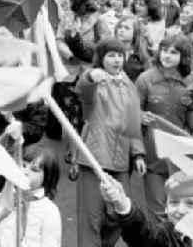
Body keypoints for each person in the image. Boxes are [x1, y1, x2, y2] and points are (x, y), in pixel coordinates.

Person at [73, 39, 146, 247]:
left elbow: (134, 124)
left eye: (119, 55)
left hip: (122, 160)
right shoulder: (96, 79)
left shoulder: (130, 86)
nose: (116, 60)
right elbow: (83, 91)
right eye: (111, 55)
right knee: (91, 219)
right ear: (101, 58)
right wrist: (89, 77)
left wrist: (138, 154)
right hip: (94, 158)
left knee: (116, 218)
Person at [136, 34, 193, 213]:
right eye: (164, 50)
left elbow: (192, 111)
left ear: (184, 57)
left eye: (173, 52)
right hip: (152, 152)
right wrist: (140, 116)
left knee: (177, 206)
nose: (166, 55)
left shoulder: (191, 84)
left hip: (180, 152)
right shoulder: (145, 79)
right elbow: (132, 112)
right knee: (158, 207)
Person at [99, 174, 193, 247]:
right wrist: (121, 204)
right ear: (166, 207)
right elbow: (142, 237)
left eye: (190, 204)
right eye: (174, 203)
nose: (181, 210)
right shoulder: (164, 234)